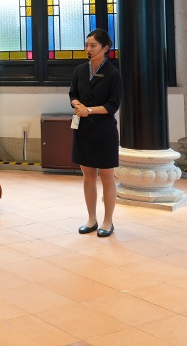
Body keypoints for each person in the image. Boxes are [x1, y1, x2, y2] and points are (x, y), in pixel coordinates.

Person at [70, 28, 122, 238]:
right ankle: (91, 219)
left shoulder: (113, 74)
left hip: (104, 131)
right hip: (83, 130)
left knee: (107, 177)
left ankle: (108, 221)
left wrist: (88, 110)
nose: (88, 49)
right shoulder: (79, 70)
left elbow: (112, 105)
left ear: (105, 48)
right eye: (87, 45)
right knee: (88, 176)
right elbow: (73, 93)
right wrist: (76, 104)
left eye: (93, 45)